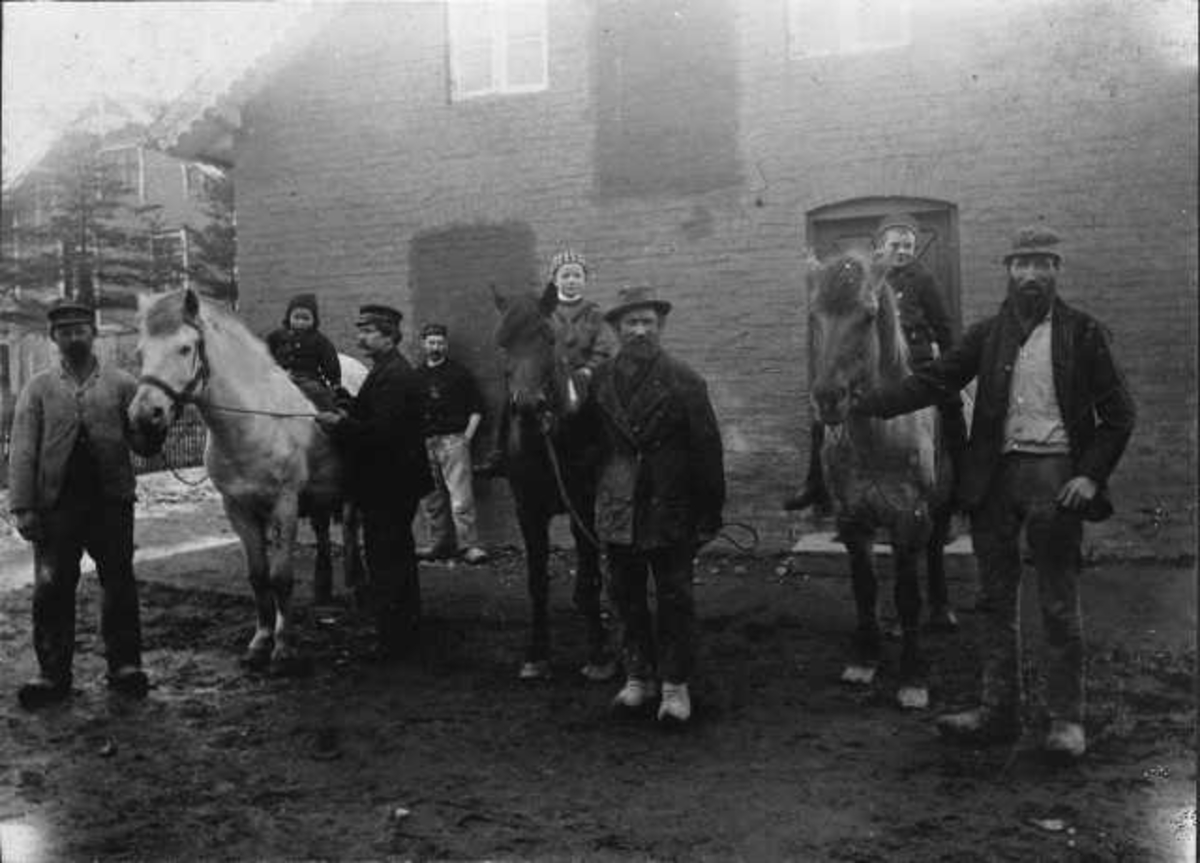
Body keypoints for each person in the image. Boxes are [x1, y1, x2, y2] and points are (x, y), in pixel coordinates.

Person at [851, 226, 1135, 759]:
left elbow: (1120, 415)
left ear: (1056, 270)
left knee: (1056, 601)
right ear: (1007, 270)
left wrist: (1091, 475)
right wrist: (870, 403)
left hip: (1057, 478)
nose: (1031, 274)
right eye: (1021, 264)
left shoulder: (1084, 333)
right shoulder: (986, 335)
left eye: (1042, 264)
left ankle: (1065, 720)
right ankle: (997, 711)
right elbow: (934, 380)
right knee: (993, 601)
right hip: (995, 481)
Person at [8, 299, 159, 708]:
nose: (74, 337)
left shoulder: (123, 384)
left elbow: (143, 446)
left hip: (110, 503)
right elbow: (22, 450)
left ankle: (125, 666)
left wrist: (154, 428)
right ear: (53, 337)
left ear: (94, 334)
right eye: (65, 331)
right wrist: (22, 506)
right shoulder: (38, 388)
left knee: (120, 583)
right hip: (56, 507)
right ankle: (51, 674)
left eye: (80, 330)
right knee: (52, 588)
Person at [589, 285, 725, 724]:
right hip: (619, 506)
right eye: (631, 323)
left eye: (648, 322)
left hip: (670, 506)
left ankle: (674, 686)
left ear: (660, 327)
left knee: (674, 599)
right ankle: (637, 677)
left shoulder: (685, 380)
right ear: (616, 329)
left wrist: (709, 513)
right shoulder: (600, 381)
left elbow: (708, 450)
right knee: (625, 595)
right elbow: (586, 447)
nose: (641, 331)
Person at [784, 212, 967, 513]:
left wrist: (950, 369)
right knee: (823, 414)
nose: (903, 251)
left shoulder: (922, 278)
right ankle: (817, 484)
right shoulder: (863, 278)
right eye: (896, 245)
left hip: (917, 362)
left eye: (909, 245)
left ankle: (960, 483)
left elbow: (943, 324)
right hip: (871, 365)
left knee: (951, 410)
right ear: (881, 246)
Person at [315, 304, 433, 658]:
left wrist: (340, 424)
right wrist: (351, 405)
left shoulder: (395, 375)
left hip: (389, 483)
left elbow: (383, 434)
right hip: (395, 481)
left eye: (368, 332)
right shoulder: (386, 370)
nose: (360, 337)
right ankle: (404, 629)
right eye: (361, 330)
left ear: (388, 335)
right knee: (396, 554)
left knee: (387, 558)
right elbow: (377, 416)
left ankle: (393, 639)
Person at [475, 248, 617, 477]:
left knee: (603, 407)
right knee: (512, 400)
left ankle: (611, 453)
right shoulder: (543, 310)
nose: (571, 281)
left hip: (582, 376)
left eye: (577, 276)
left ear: (585, 280)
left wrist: (589, 370)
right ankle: (499, 453)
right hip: (547, 374)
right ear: (555, 280)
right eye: (565, 276)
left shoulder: (594, 313)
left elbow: (603, 348)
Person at [414, 323, 489, 564]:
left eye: (439, 342)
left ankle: (468, 546)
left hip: (453, 441)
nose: (435, 346)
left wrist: (465, 438)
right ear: (423, 344)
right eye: (431, 342)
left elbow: (477, 409)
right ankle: (438, 544)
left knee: (461, 499)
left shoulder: (459, 373)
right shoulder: (416, 376)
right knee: (431, 499)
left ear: (445, 345)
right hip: (425, 442)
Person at [266, 292, 342, 411]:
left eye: (306, 318)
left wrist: (335, 381)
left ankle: (331, 415)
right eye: (296, 318)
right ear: (289, 317)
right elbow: (266, 352)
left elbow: (330, 361)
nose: (300, 322)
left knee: (318, 393)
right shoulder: (277, 336)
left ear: (314, 320)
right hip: (280, 375)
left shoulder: (319, 340)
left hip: (307, 378)